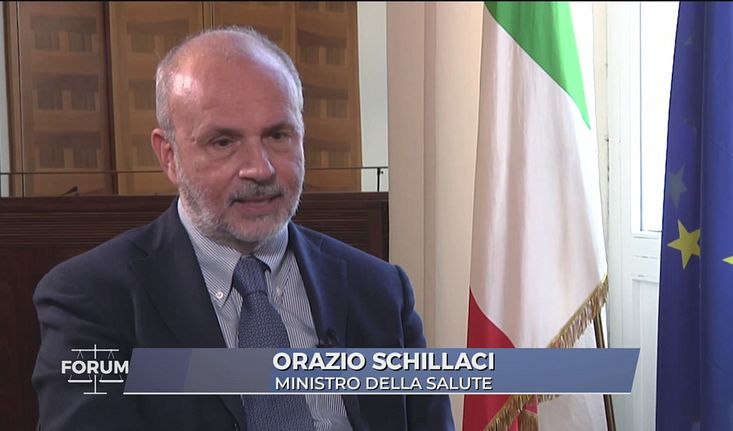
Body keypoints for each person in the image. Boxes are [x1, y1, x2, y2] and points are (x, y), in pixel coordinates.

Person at [32, 27, 454, 431]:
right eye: (223, 142)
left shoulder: (380, 290)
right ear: (169, 156)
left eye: (278, 135)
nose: (260, 168)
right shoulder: (90, 300)